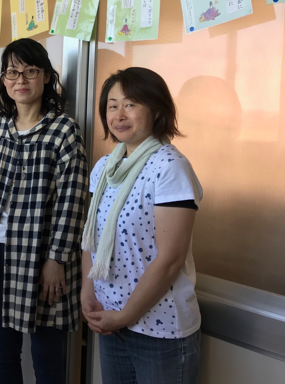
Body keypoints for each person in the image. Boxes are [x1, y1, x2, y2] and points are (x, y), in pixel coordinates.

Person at [0, 39, 88, 384]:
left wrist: (56, 260)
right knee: (4, 353)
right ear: (4, 79)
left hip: (42, 258)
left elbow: (72, 202)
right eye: (12, 72)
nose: (20, 79)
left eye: (30, 71)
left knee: (47, 360)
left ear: (47, 77)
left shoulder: (64, 130)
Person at [81, 67, 203, 384]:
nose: (119, 114)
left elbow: (171, 258)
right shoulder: (104, 168)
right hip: (110, 319)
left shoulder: (170, 167)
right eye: (112, 105)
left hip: (159, 331)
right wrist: (88, 291)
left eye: (131, 104)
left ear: (156, 110)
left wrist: (126, 315)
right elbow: (92, 238)